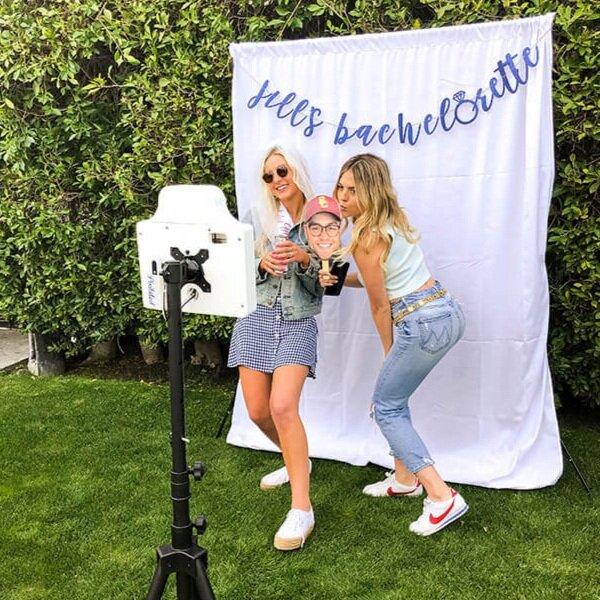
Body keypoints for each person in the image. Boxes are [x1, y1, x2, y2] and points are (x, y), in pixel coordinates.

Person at [324, 153, 468, 537]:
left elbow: (380, 303)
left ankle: (441, 497)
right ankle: (404, 479)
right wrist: (339, 281)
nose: (343, 196)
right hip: (444, 311)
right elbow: (378, 279)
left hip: (418, 322)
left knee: (385, 406)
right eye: (341, 186)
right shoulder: (388, 220)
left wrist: (389, 351)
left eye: (353, 190)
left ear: (371, 192)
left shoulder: (366, 236)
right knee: (395, 400)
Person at [227, 144, 323, 551]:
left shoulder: (323, 219)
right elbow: (230, 267)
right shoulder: (257, 218)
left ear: (296, 170)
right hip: (257, 316)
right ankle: (295, 460)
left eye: (281, 171)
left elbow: (329, 280)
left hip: (298, 319)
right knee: (257, 411)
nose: (276, 180)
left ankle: (301, 508)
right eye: (268, 176)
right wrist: (258, 264)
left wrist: (306, 258)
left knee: (284, 407)